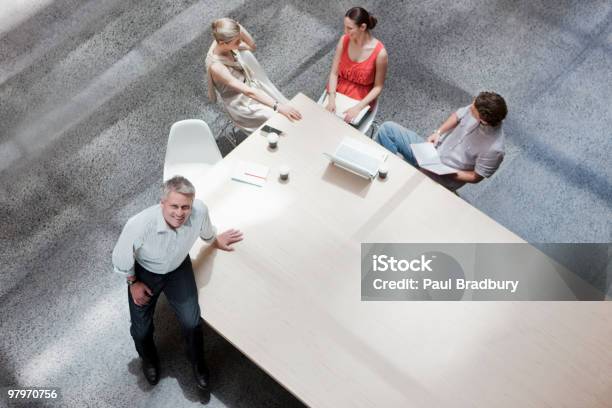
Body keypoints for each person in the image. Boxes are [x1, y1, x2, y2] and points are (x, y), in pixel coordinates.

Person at [112, 176, 243, 389]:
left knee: (192, 323)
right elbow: (120, 257)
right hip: (146, 272)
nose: (180, 213)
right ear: (162, 203)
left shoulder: (199, 211)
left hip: (178, 268)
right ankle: (149, 359)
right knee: (141, 331)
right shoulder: (138, 225)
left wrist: (217, 241)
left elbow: (207, 232)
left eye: (185, 207)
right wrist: (133, 283)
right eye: (174, 206)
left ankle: (197, 362)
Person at [375, 92, 508, 191]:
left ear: (483, 120)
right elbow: (458, 116)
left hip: (443, 176)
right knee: (387, 130)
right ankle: (387, 168)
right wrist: (438, 132)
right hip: (433, 152)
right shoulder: (477, 106)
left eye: (473, 110)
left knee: (403, 186)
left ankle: (390, 180)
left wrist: (449, 173)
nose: (470, 107)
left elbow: (476, 177)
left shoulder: (495, 149)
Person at [205, 18, 302, 133]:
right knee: (279, 119)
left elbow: (252, 46)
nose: (240, 43)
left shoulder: (223, 40)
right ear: (222, 43)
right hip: (242, 105)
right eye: (237, 42)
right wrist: (277, 107)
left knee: (289, 114)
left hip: (253, 90)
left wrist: (237, 26)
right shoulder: (217, 67)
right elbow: (248, 92)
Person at [324, 7, 388, 125]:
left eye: (350, 28)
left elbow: (378, 87)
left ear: (362, 27)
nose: (345, 31)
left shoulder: (380, 53)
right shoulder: (344, 40)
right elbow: (334, 73)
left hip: (360, 101)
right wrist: (331, 99)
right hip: (337, 94)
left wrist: (358, 107)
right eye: (345, 27)